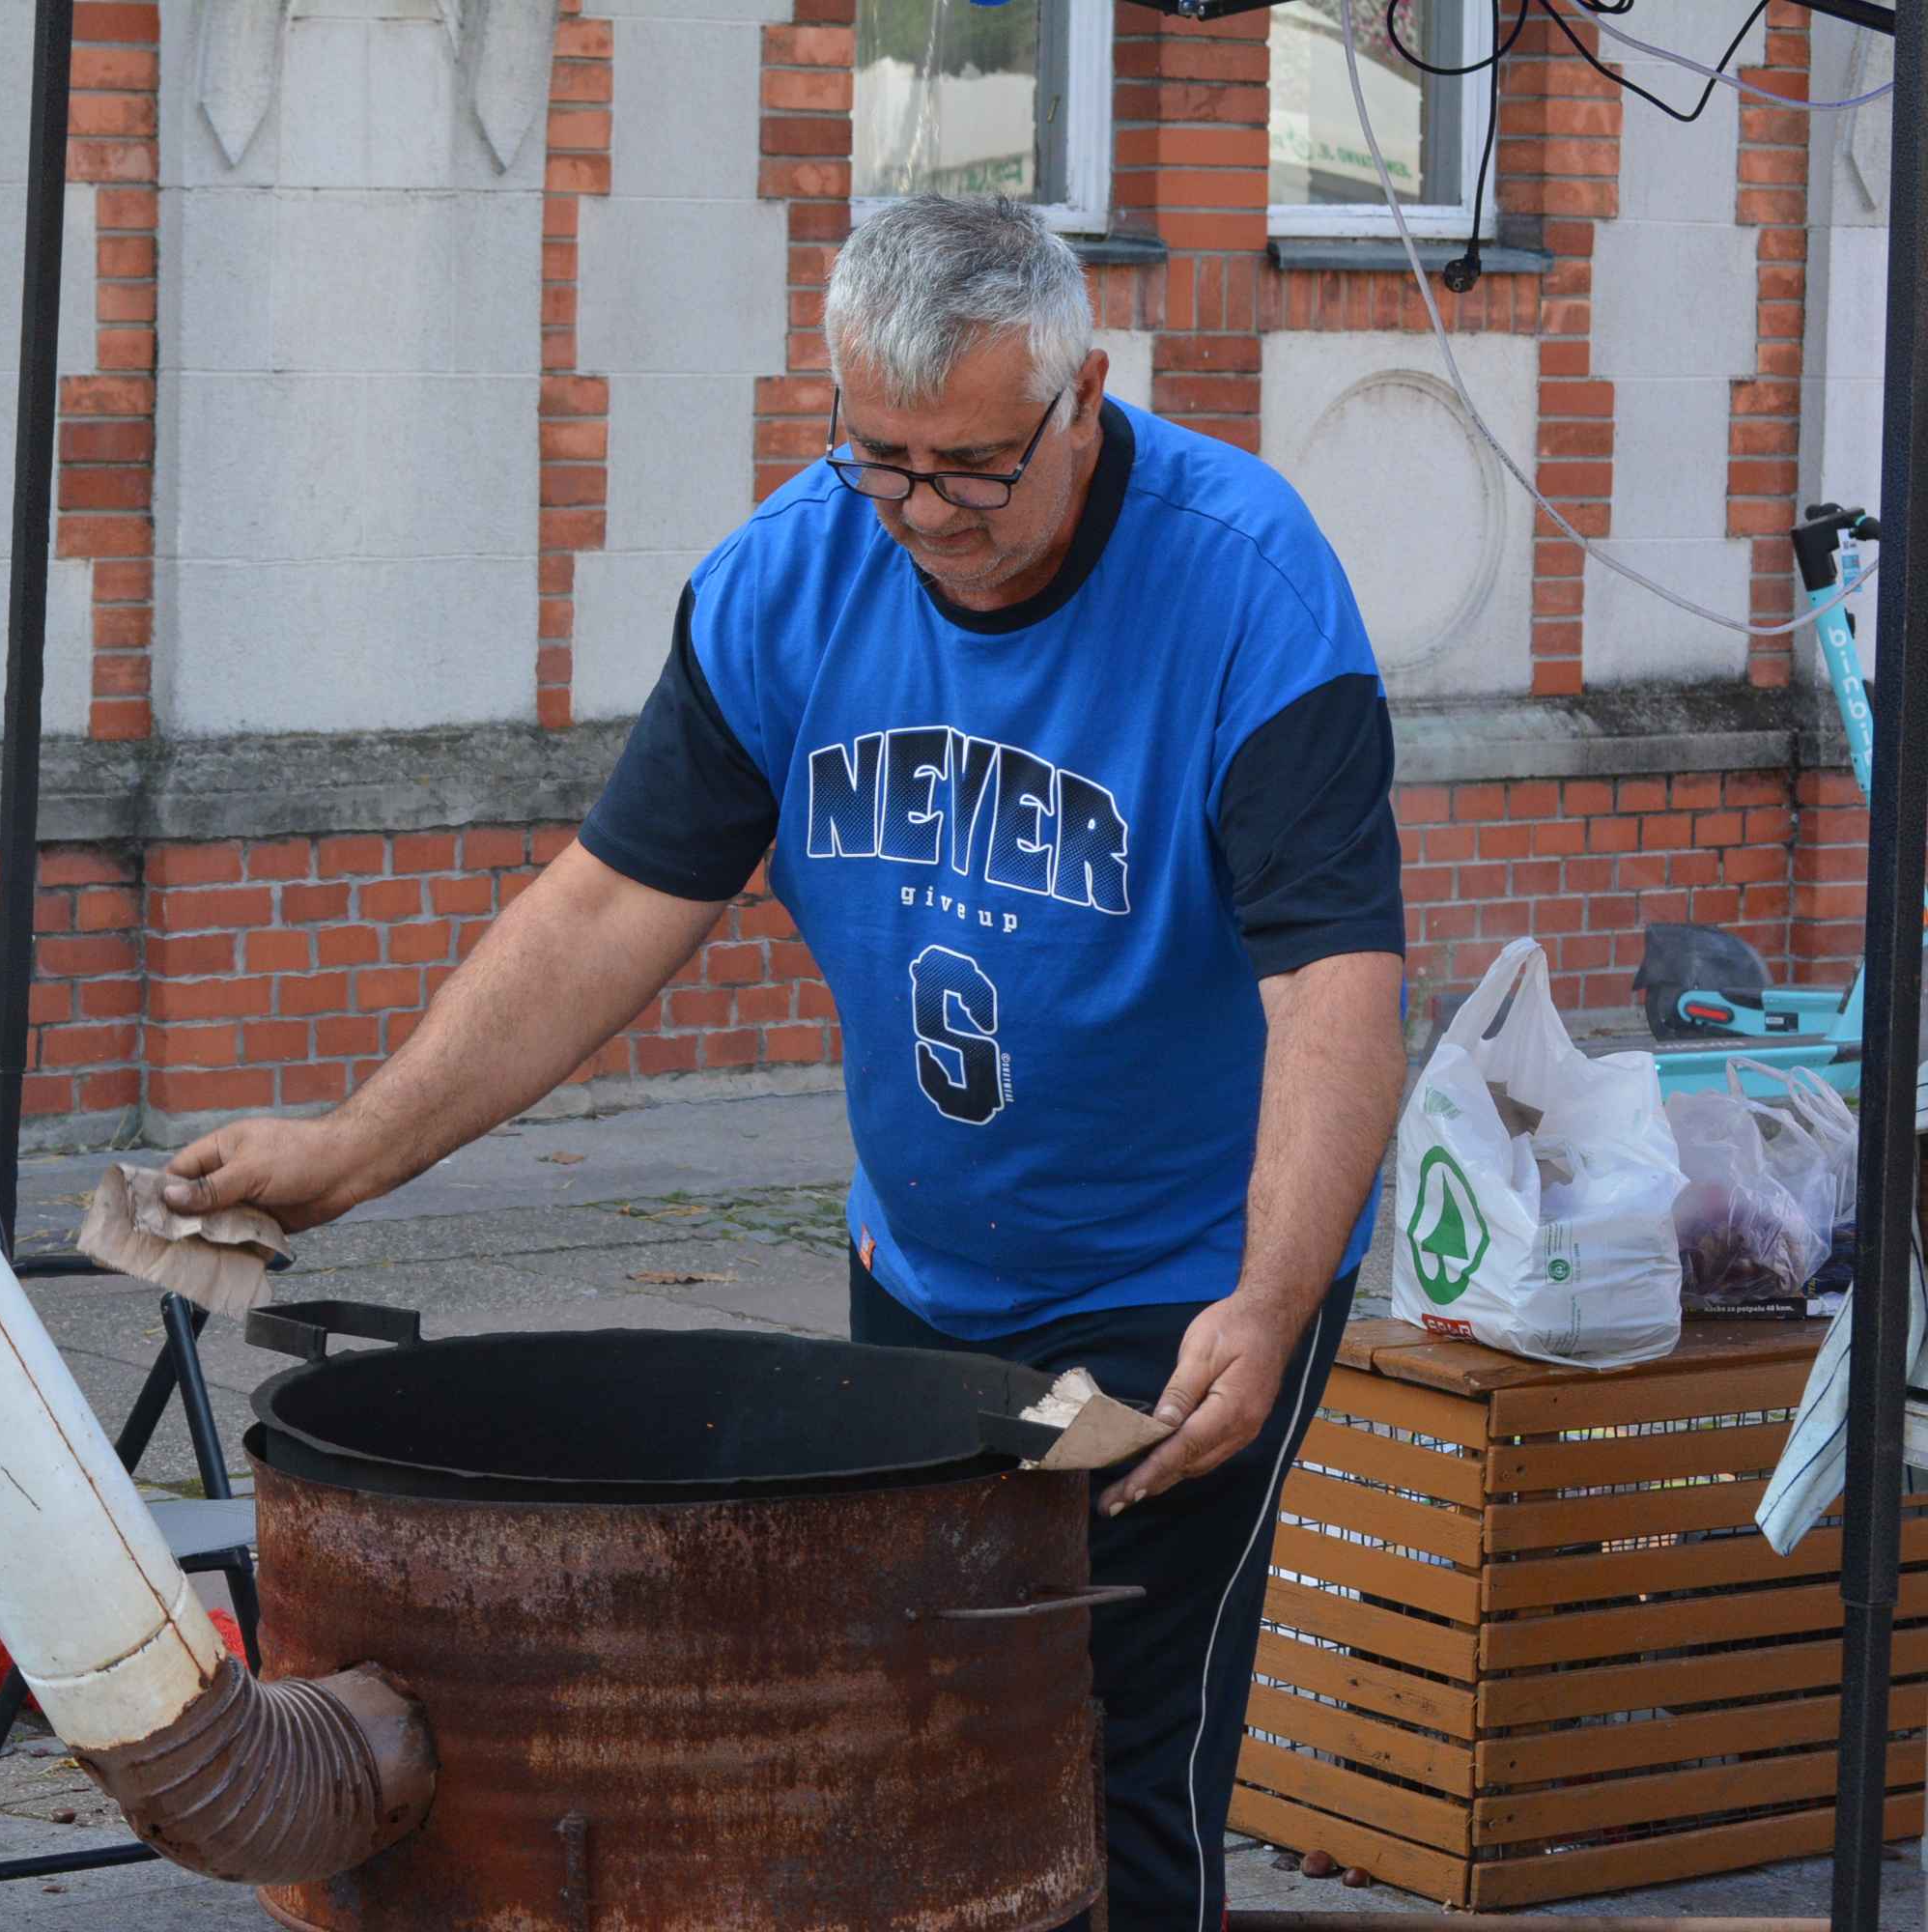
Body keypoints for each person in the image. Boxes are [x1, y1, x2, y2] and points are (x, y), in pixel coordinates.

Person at [163, 194, 1407, 1932]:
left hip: (1180, 1286)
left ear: (1085, 396)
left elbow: (1336, 980)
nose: (924, 517)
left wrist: (1271, 1299)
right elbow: (612, 902)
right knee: (908, 1728)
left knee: (1111, 1748)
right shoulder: (794, 572)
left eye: (972, 467)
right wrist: (355, 1148)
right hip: (927, 1260)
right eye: (879, 458)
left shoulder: (1249, 586)